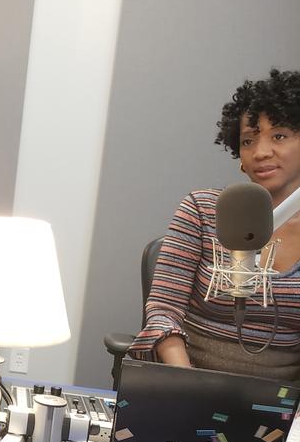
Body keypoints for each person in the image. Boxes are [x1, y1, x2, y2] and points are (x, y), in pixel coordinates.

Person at [129, 68, 300, 379]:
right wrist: (191, 385)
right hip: (191, 382)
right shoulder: (203, 210)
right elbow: (163, 313)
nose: (260, 152)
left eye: (279, 136)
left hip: (283, 404)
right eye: (248, 141)